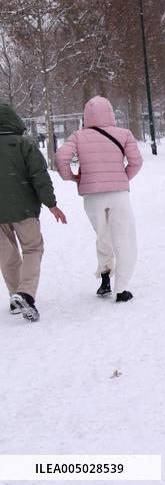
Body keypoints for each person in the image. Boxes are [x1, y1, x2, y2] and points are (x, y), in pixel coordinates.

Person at [55, 96, 143, 303]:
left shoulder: (78, 136)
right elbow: (136, 161)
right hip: (118, 194)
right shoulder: (124, 134)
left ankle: (104, 277)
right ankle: (121, 289)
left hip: (92, 195)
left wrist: (72, 177)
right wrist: (123, 177)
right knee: (124, 239)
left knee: (103, 235)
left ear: (86, 115)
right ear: (111, 113)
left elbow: (60, 158)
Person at [0, 103, 67, 322]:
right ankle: (26, 294)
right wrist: (51, 204)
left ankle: (15, 296)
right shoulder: (23, 145)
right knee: (32, 249)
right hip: (24, 208)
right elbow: (40, 176)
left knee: (7, 257)